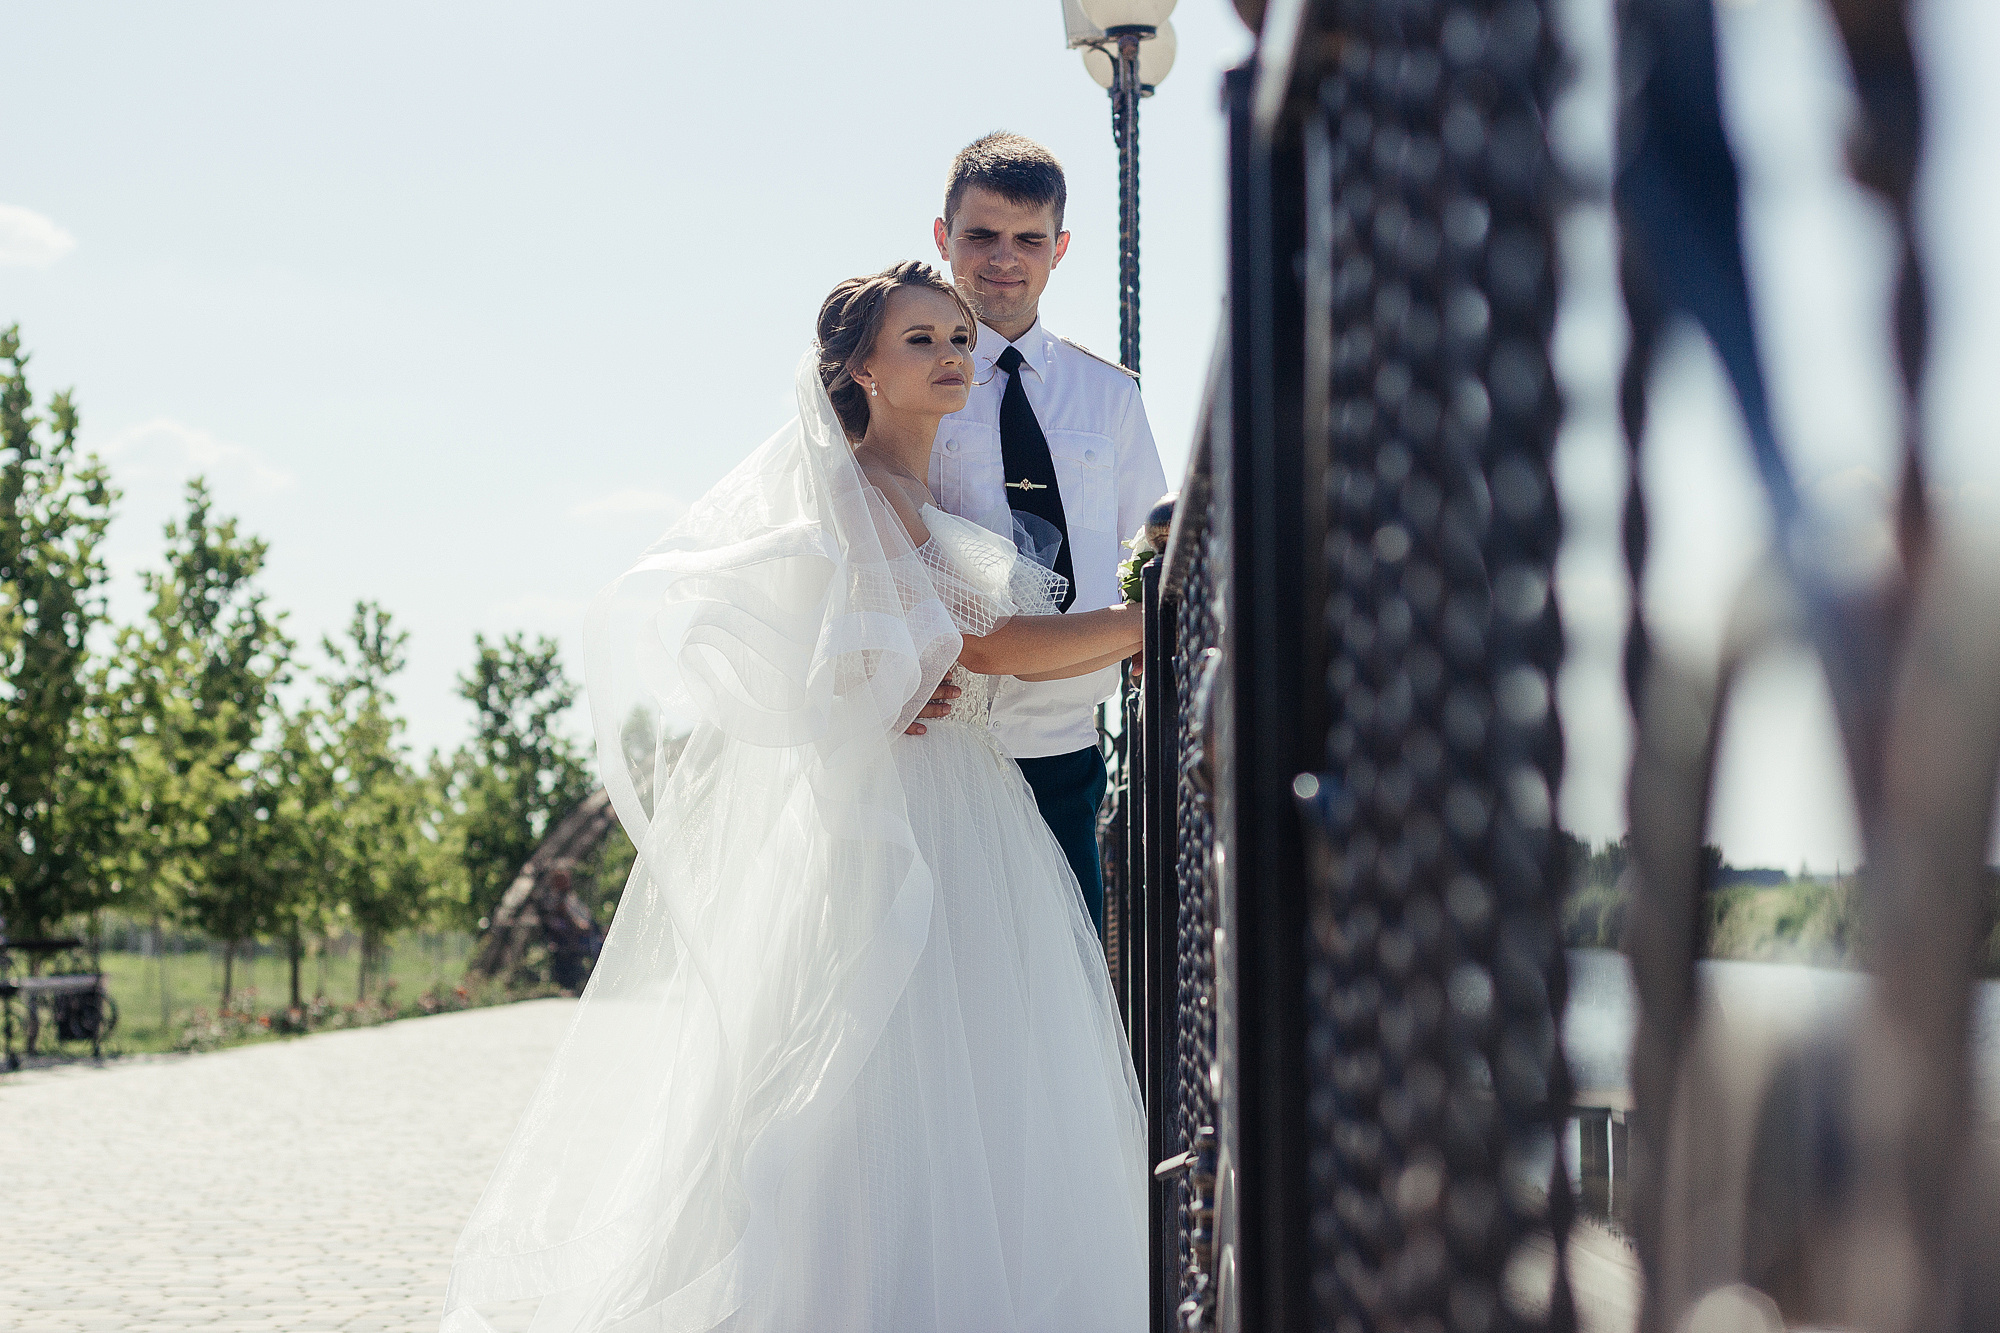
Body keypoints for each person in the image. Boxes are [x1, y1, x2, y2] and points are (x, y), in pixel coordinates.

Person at [441, 262, 1147, 1333]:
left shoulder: (921, 494)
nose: (953, 352)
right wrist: (1153, 619)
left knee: (983, 1072)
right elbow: (988, 643)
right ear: (859, 369)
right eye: (919, 340)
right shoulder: (855, 489)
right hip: (902, 818)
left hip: (967, 799)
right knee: (885, 1072)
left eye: (956, 334)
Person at [920, 131, 1170, 941]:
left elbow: (1154, 544)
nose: (1004, 259)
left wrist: (1142, 624)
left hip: (1065, 748)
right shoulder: (906, 380)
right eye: (981, 235)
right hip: (939, 743)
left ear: (1060, 249)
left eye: (1029, 239)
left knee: (1066, 1003)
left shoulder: (1108, 396)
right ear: (941, 237)